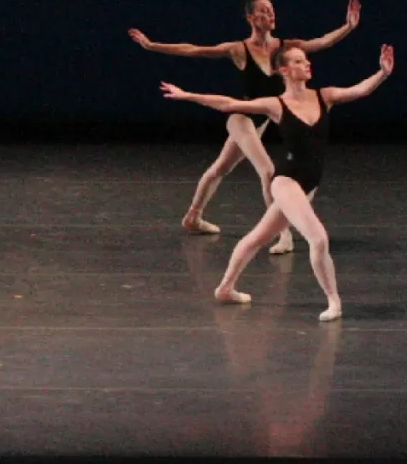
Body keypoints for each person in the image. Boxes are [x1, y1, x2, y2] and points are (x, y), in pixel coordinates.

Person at [160, 42, 394, 321]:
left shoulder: (325, 96)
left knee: (258, 237)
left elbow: (360, 90)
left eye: (306, 60)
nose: (307, 64)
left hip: (309, 185)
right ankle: (334, 302)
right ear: (284, 69)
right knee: (318, 239)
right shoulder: (276, 104)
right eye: (298, 61)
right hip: (287, 182)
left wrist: (382, 72)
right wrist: (187, 95)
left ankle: (225, 287)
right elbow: (229, 104)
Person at [129, 0, 361, 254]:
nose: (270, 15)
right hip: (241, 119)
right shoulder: (239, 49)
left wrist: (348, 26)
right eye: (263, 11)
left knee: (220, 168)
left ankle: (193, 216)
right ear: (251, 18)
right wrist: (152, 46)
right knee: (268, 171)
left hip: (259, 122)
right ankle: (282, 233)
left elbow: (320, 43)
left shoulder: (285, 48)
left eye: (272, 10)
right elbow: (193, 49)